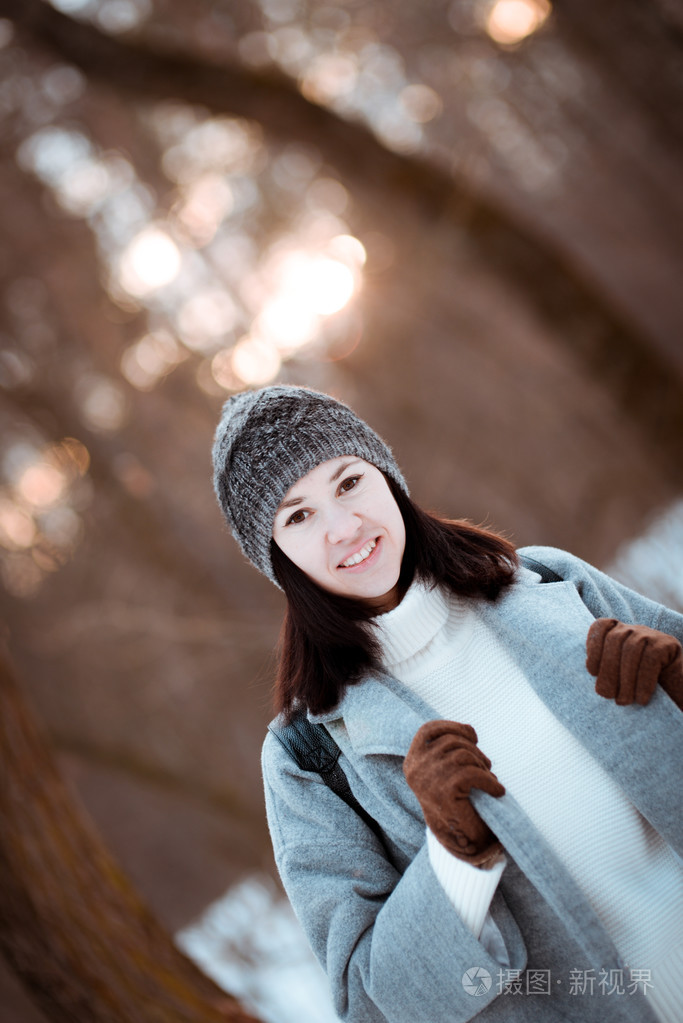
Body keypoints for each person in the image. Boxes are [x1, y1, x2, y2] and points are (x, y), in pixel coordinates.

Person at [211, 384, 683, 1023]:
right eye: (298, 517)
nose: (344, 528)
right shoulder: (309, 759)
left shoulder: (550, 582)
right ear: (275, 555)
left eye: (349, 483)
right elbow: (372, 1003)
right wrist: (457, 856)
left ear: (386, 477)